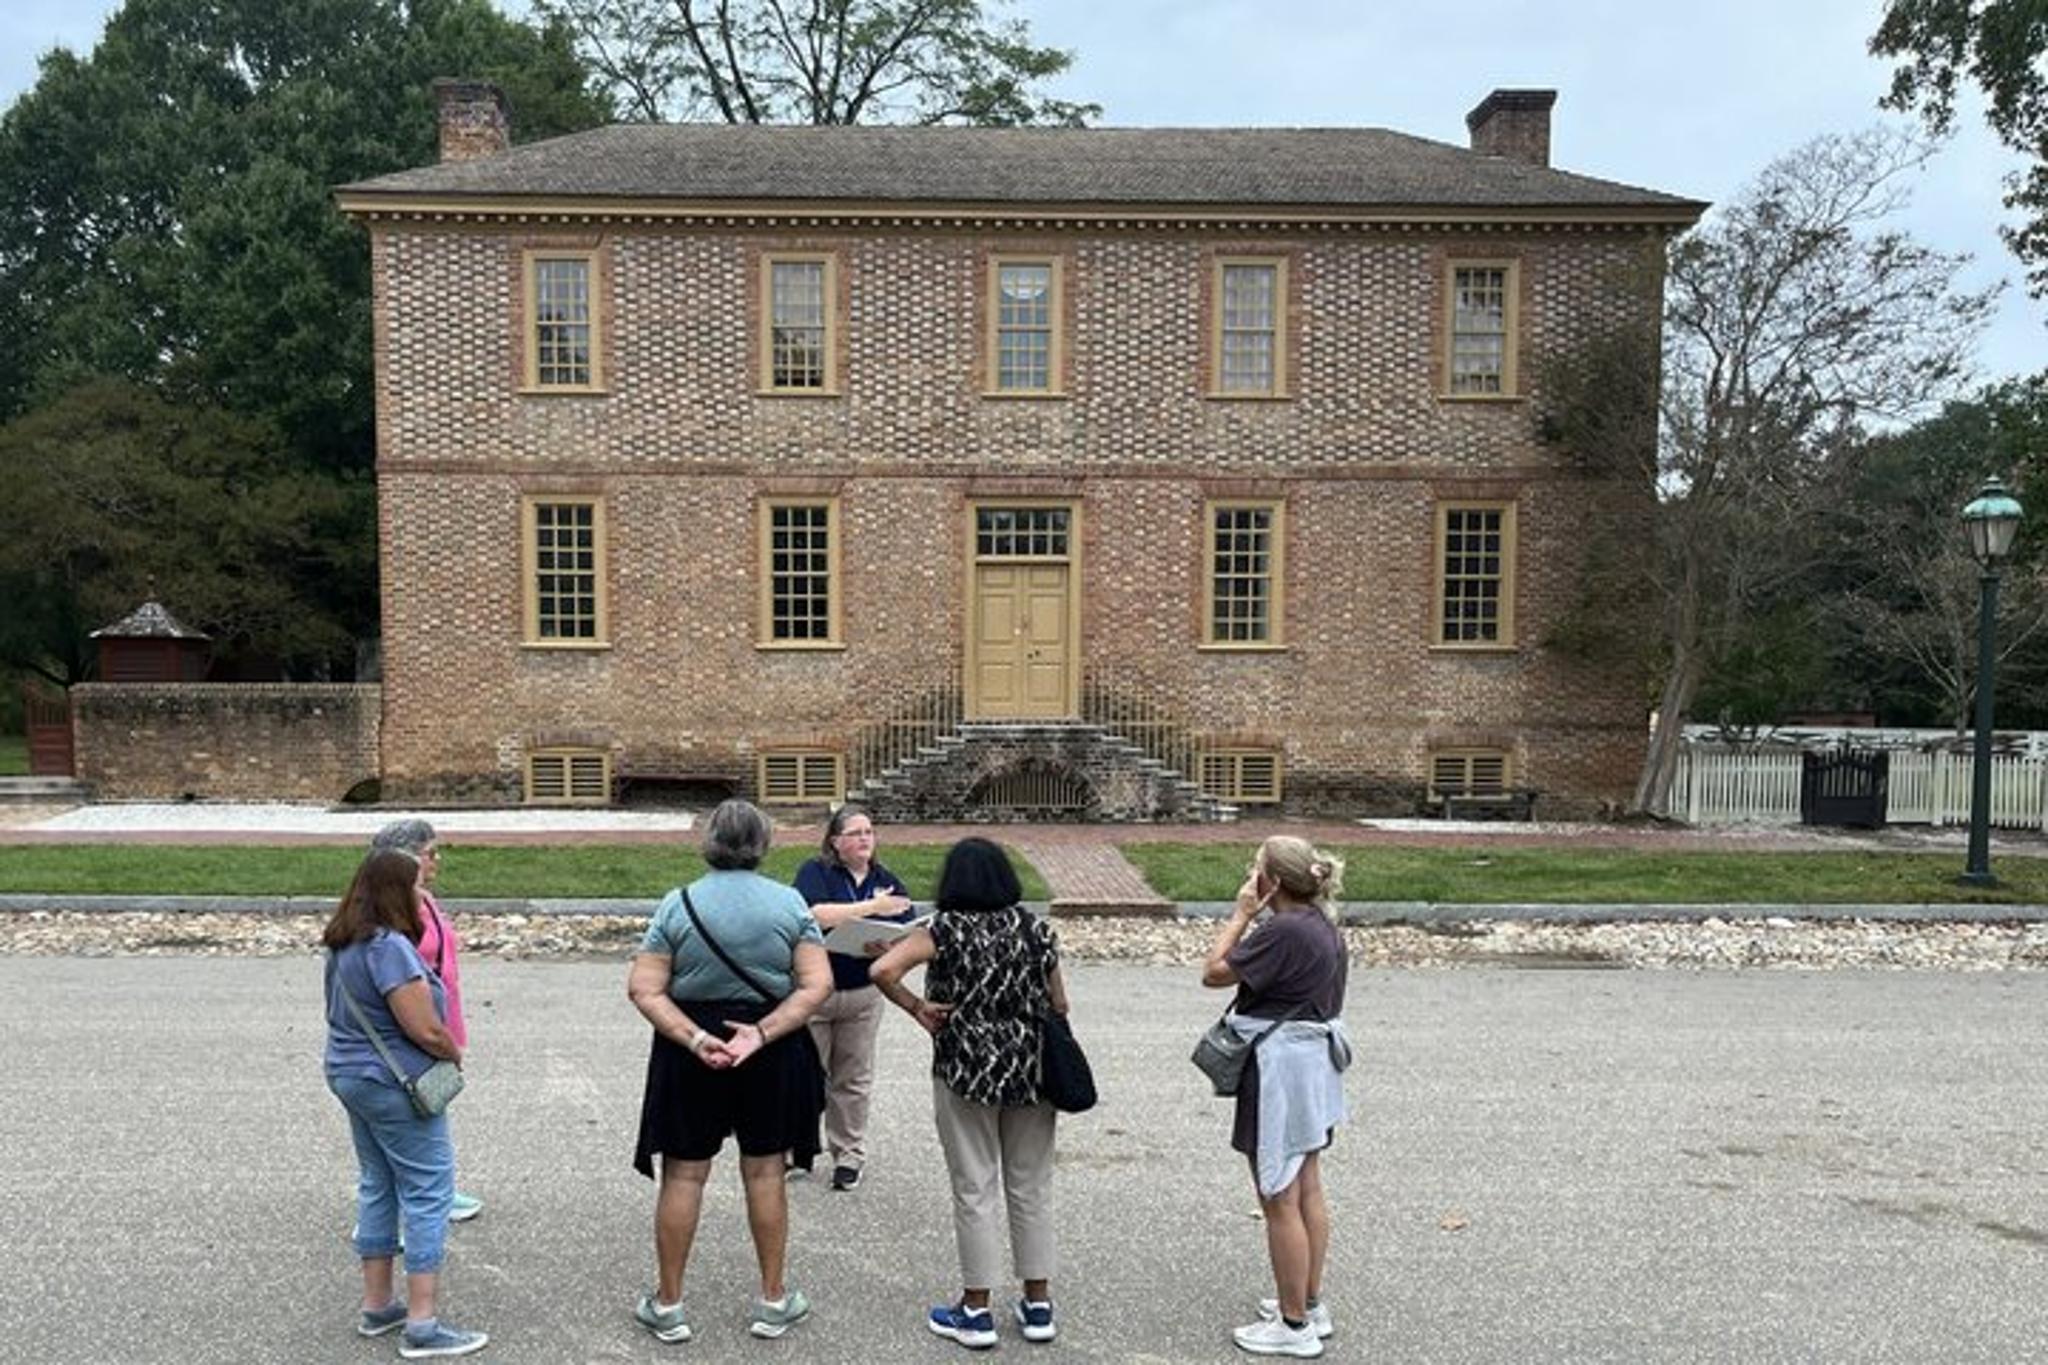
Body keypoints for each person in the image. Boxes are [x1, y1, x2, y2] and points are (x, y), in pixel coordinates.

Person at [627, 799, 832, 1344]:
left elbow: (644, 988)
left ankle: (669, 1304)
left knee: (684, 1174)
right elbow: (817, 985)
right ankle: (772, 1299)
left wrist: (694, 1036)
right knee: (765, 1172)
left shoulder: (679, 903)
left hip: (690, 1046)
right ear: (763, 844)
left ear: (709, 841)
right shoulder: (789, 903)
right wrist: (761, 1033)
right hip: (768, 1046)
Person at [870, 837, 1066, 1350]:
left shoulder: (944, 928)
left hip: (965, 1065)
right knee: (1031, 1184)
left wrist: (918, 1007)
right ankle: (1038, 1302)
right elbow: (1059, 1002)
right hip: (1032, 1066)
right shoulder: (1034, 928)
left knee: (974, 1186)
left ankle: (976, 1309)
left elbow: (883, 970)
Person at [323, 848, 488, 1360]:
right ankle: (423, 1322)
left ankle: (378, 1306)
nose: (423, 896)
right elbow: (423, 1026)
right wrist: (451, 1051)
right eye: (416, 887)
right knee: (428, 1191)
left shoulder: (342, 942)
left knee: (378, 1183)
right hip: (396, 1082)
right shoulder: (388, 947)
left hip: (350, 1074)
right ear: (397, 892)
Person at [1200, 836, 1351, 1360]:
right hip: (1314, 1071)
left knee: (1278, 1196)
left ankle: (1294, 1326)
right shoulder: (1322, 925)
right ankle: (1308, 1302)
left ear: (1274, 882)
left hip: (1279, 1072)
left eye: (1255, 869)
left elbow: (1213, 972)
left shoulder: (1281, 930)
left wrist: (1241, 915)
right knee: (1306, 1185)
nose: (1249, 876)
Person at [790, 804, 914, 1190]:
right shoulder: (816, 872)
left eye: (869, 832)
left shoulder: (888, 879)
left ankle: (849, 1154)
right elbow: (816, 914)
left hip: (862, 993)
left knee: (854, 1078)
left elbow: (906, 931)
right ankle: (798, 1151)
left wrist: (888, 947)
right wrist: (874, 907)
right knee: (805, 1077)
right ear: (836, 841)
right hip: (816, 991)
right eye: (856, 832)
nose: (865, 839)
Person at [369, 819, 483, 1224]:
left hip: (442, 1018)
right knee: (409, 1115)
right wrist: (438, 1040)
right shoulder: (391, 915)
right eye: (430, 852)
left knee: (432, 1103)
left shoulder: (426, 900)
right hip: (416, 1030)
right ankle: (399, 1208)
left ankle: (439, 1189)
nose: (437, 859)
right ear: (407, 859)